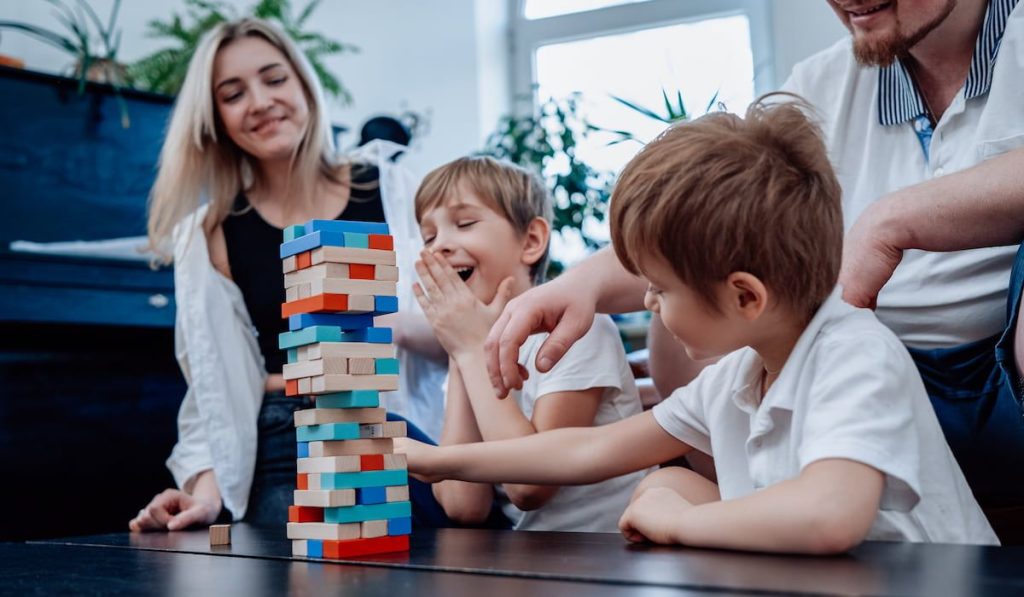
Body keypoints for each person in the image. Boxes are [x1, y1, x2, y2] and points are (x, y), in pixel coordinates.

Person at [486, 0, 1024, 538]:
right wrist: (582, 284)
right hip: (859, 358)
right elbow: (714, 228)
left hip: (993, 373)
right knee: (684, 330)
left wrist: (893, 219)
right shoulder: (821, 83)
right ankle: (758, 506)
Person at [403, 98, 998, 553]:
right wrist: (438, 462)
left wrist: (683, 521)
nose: (652, 306)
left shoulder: (854, 351)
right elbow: (589, 451)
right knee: (667, 486)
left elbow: (828, 514)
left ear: (745, 296)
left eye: (660, 290)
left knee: (672, 497)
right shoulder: (739, 374)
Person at [129, 18, 445, 532]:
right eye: (232, 94)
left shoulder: (393, 189)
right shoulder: (209, 232)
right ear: (215, 118)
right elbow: (211, 390)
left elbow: (464, 336)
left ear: (304, 85)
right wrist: (206, 496)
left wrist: (377, 332)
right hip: (283, 437)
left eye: (274, 79)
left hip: (403, 432)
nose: (258, 101)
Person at [411, 156, 647, 531]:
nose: (440, 246)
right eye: (429, 236)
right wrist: (461, 353)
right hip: (525, 555)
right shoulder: (468, 347)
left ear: (531, 241)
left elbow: (529, 486)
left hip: (605, 553)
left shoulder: (576, 330)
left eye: (464, 223)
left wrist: (471, 347)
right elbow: (462, 505)